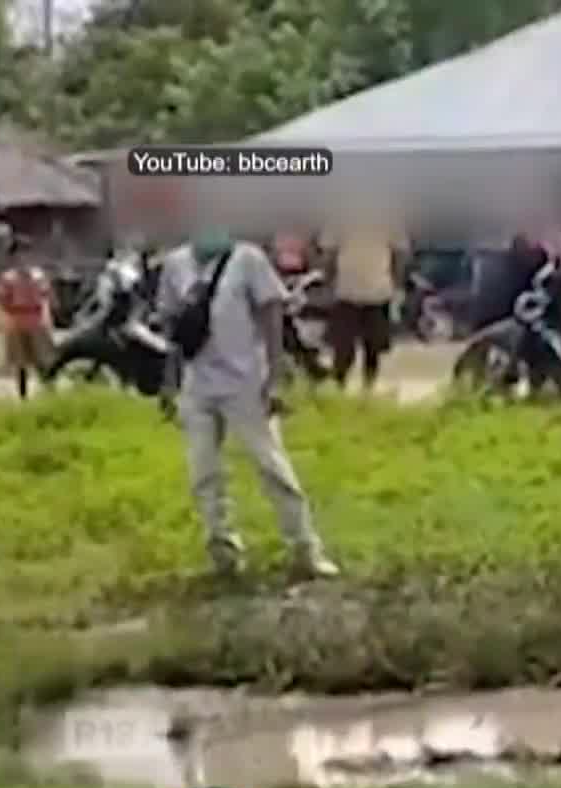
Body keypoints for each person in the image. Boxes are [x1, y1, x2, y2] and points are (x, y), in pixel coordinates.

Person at [155, 229, 337, 579]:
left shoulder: (247, 260)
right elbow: (172, 330)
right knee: (204, 473)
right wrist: (169, 382)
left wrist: (275, 375)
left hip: (246, 383)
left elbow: (272, 318)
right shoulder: (175, 265)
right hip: (198, 385)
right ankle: (223, 552)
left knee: (272, 466)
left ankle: (305, 548)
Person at [319, 210, 408, 392]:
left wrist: (397, 284)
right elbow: (329, 255)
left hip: (377, 292)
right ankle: (340, 388)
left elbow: (399, 253)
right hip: (347, 292)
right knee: (344, 348)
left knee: (372, 348)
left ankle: (367, 389)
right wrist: (328, 283)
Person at [0, 234, 53, 400]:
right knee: (20, 363)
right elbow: (3, 300)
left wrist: (46, 316)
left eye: (26, 253)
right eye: (19, 254)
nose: (23, 258)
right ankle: (23, 395)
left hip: (36, 320)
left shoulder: (38, 275)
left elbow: (46, 296)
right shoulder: (9, 278)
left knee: (42, 360)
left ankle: (47, 390)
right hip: (17, 321)